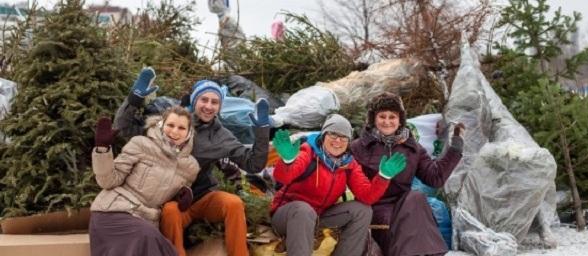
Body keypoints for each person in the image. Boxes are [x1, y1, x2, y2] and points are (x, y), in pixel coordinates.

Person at [114, 67, 271, 256]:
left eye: (214, 102)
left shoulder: (221, 136)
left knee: (234, 204)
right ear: (195, 101)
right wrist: (135, 99)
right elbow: (123, 128)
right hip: (173, 200)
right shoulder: (174, 125)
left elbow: (253, 165)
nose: (209, 106)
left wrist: (262, 130)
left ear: (220, 106)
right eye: (204, 100)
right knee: (171, 212)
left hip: (203, 197)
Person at [270, 114, 407, 256]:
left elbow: (367, 197)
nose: (338, 141)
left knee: (362, 210)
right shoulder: (308, 152)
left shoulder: (348, 164)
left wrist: (383, 177)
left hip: (319, 216)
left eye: (343, 137)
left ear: (348, 142)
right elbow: (284, 177)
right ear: (323, 135)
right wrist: (288, 160)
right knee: (303, 210)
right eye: (333, 134)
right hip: (288, 216)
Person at [351, 92, 465, 256]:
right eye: (382, 116)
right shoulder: (359, 147)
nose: (387, 121)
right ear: (373, 119)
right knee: (407, 218)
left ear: (400, 120)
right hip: (374, 206)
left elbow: (435, 178)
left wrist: (456, 148)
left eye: (393, 117)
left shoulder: (412, 148)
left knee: (416, 198)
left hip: (402, 204)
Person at [90, 106, 199, 256]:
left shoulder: (191, 167)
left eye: (181, 128)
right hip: (114, 211)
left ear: (189, 132)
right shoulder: (140, 144)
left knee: (167, 250)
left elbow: (168, 196)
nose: (174, 131)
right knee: (147, 237)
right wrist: (102, 150)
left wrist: (184, 195)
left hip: (146, 220)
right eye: (170, 125)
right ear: (161, 124)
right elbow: (108, 181)